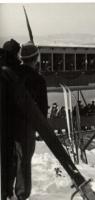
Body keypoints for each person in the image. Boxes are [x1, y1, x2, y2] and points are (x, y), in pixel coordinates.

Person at [14, 41, 48, 200]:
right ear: (36, 58)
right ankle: (21, 194)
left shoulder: (10, 73)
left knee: (10, 159)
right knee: (24, 162)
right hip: (26, 128)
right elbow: (41, 111)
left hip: (7, 124)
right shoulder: (39, 80)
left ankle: (5, 191)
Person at [1, 39, 21, 200]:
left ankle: (4, 190)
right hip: (12, 125)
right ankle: (8, 191)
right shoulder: (16, 71)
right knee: (12, 161)